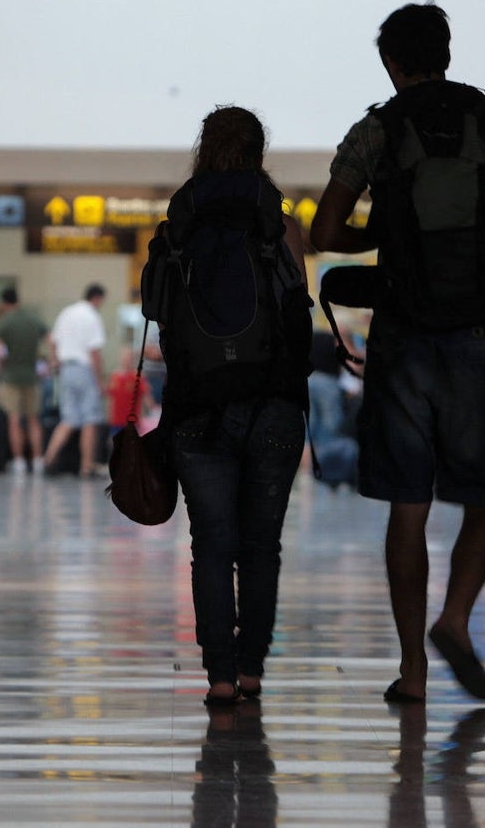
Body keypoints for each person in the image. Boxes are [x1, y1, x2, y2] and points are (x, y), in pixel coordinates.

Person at [311, 1, 485, 703]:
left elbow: (324, 230)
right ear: (448, 53)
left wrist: (390, 237)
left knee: (408, 504)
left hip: (400, 341)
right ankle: (454, 618)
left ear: (391, 63)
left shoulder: (375, 131)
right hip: (478, 340)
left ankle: (414, 672)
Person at [143, 106, 311, 705]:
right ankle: (251, 669)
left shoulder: (180, 223)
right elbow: (298, 315)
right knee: (260, 544)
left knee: (210, 544)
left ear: (204, 149)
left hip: (198, 408)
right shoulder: (278, 224)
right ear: (259, 152)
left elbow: (161, 321)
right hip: (272, 405)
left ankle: (217, 674)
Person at [0, 287, 49, 476]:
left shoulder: (3, 323)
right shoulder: (33, 320)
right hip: (32, 377)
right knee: (33, 419)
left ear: (3, 303)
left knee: (14, 420)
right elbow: (51, 340)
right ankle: (38, 460)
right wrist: (51, 363)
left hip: (11, 378)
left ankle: (19, 461)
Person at [41, 284, 108, 478]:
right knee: (90, 419)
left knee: (69, 418)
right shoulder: (92, 316)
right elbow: (94, 352)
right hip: (84, 369)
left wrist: (56, 363)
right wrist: (100, 380)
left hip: (66, 370)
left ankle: (48, 459)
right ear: (97, 298)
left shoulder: (66, 313)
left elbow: (52, 341)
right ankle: (87, 467)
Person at [106, 346, 154, 436]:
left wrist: (154, 410)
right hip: (116, 421)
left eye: (129, 357)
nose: (126, 360)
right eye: (124, 357)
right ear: (120, 358)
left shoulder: (138, 376)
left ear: (133, 359)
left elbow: (146, 396)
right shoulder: (114, 376)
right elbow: (111, 399)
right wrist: (109, 418)